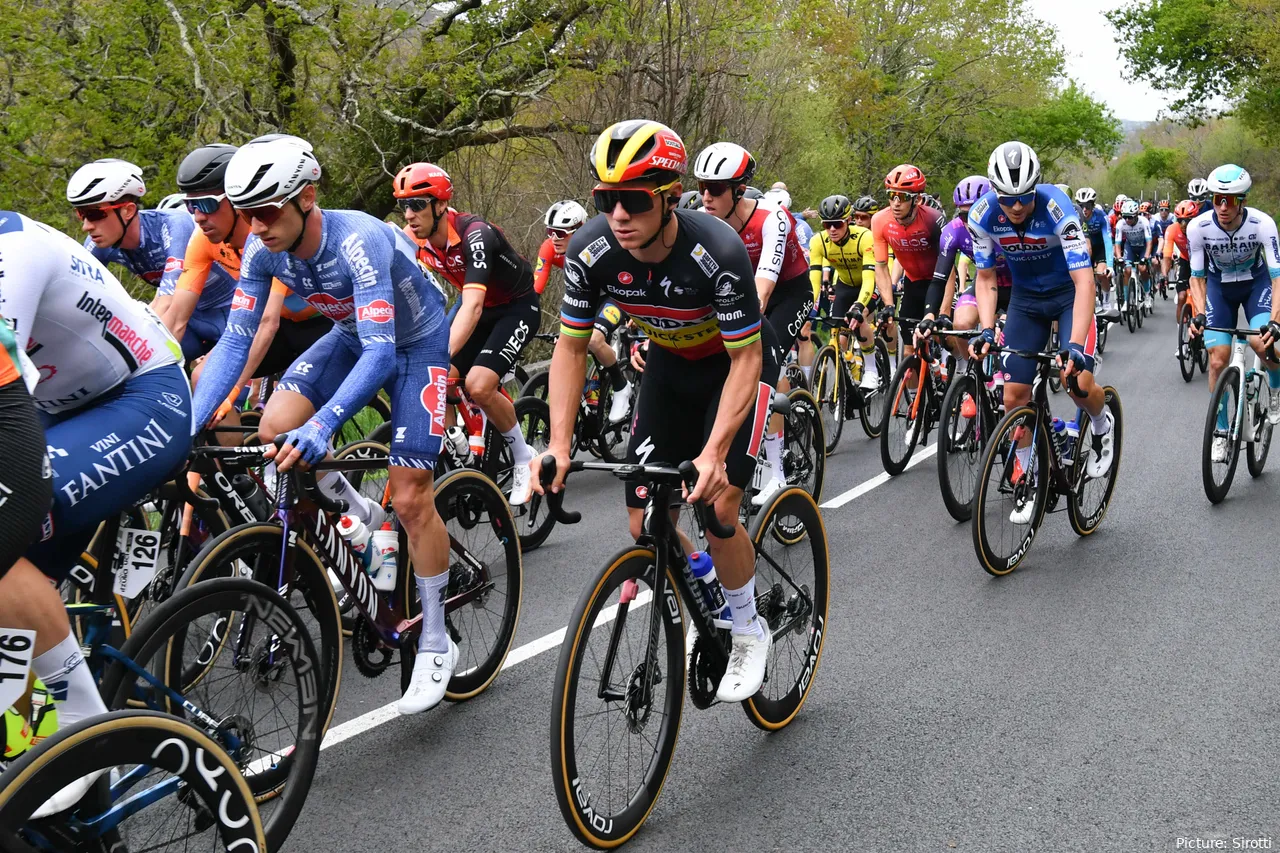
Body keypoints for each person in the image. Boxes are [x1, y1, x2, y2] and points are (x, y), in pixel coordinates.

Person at [189, 136, 459, 714]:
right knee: (273, 430)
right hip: (352, 336)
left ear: (307, 197)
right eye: (247, 214)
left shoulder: (356, 239)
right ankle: (359, 518)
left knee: (411, 498)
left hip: (415, 345)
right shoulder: (264, 253)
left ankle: (436, 637)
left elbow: (385, 353)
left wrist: (328, 422)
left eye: (267, 212)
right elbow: (236, 342)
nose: (256, 227)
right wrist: (188, 425)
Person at [533, 119, 779, 701]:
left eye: (634, 201)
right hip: (669, 368)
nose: (619, 215)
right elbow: (570, 348)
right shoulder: (591, 251)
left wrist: (715, 452)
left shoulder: (716, 250)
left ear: (669, 198)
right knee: (648, 522)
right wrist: (560, 445)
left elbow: (746, 361)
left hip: (735, 366)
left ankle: (747, 626)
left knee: (718, 506)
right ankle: (705, 587)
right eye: (607, 199)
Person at [0, 210, 190, 754]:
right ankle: (31, 743)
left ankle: (83, 736)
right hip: (52, 409)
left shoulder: (10, 253)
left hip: (140, 397)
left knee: (6, 541)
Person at [968, 141, 1115, 524]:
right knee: (1014, 395)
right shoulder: (982, 215)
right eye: (1007, 198)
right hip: (1025, 302)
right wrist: (986, 329)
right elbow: (985, 279)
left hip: (1068, 296)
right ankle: (1029, 478)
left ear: (1037, 187)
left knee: (1076, 380)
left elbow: (1084, 283)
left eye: (1025, 196)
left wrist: (1074, 346)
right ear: (993, 192)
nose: (1016, 207)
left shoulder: (1057, 210)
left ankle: (1101, 423)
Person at [394, 161, 539, 504]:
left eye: (417, 204)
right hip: (478, 306)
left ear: (441, 204)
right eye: (403, 206)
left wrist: (439, 355)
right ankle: (458, 441)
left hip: (515, 307)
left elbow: (473, 306)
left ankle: (523, 455)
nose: (409, 215)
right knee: (438, 379)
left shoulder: (475, 234)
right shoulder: (416, 239)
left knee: (478, 384)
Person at [171, 143, 334, 436]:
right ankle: (237, 480)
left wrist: (233, 391)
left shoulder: (272, 234)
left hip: (321, 325)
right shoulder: (203, 239)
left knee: (286, 421)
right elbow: (176, 317)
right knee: (203, 375)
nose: (197, 216)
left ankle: (320, 473)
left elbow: (266, 322)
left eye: (206, 204)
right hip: (284, 329)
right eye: (190, 206)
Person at [694, 142, 812, 505]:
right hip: (743, 299)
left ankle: (776, 470)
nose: (705, 197)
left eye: (714, 189)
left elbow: (764, 283)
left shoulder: (772, 217)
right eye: (700, 187)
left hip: (787, 294)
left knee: (764, 358)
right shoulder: (705, 221)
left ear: (739, 189)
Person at [1187, 164, 1280, 459]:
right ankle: (1222, 432)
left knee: (1262, 343)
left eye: (1231, 200)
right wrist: (1199, 314)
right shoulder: (1198, 227)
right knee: (1217, 361)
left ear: (1244, 201)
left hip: (1256, 285)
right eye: (1217, 199)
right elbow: (1197, 278)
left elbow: (1277, 278)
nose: (1223, 207)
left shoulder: (1263, 224)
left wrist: (1276, 321)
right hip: (1219, 288)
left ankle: (1275, 389)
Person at [534, 199, 635, 423]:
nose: (553, 238)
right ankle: (586, 394)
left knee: (594, 340)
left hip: (613, 296)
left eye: (560, 233)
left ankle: (621, 386)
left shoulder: (602, 244)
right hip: (585, 298)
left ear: (579, 229)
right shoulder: (549, 247)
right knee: (565, 346)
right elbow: (536, 288)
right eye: (550, 231)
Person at [68, 158, 195, 328]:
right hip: (188, 321)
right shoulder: (98, 241)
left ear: (127, 211)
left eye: (95, 214)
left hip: (225, 315)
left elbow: (167, 301)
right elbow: (73, 294)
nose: (86, 226)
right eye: (81, 214)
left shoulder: (173, 224)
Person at [920, 176, 1013, 369]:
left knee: (1006, 337)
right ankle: (968, 375)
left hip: (1019, 287)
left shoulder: (1008, 224)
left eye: (976, 213)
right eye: (964, 216)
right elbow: (939, 279)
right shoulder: (953, 230)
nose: (971, 222)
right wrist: (929, 314)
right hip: (984, 284)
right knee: (961, 324)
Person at [872, 164, 943, 365]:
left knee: (943, 335)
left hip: (939, 281)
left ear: (917, 199)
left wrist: (944, 311)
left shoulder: (932, 219)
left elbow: (949, 267)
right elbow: (881, 266)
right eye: (891, 195)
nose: (895, 203)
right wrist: (888, 304)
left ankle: (951, 378)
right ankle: (913, 395)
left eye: (902, 197)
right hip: (913, 282)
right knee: (909, 352)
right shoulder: (879, 220)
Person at [809, 195, 878, 389]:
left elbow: (869, 279)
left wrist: (859, 305)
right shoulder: (818, 242)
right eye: (827, 224)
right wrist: (809, 307)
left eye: (837, 224)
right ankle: (848, 369)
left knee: (860, 317)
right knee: (839, 336)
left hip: (868, 284)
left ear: (848, 221)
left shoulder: (865, 237)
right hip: (845, 285)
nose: (832, 229)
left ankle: (871, 370)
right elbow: (814, 283)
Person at [1074, 187, 1117, 318]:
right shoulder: (1074, 216)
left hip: (1100, 247)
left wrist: (1110, 265)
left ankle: (1105, 301)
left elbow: (1108, 241)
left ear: (1093, 205)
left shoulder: (1101, 217)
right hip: (1083, 247)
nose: (1084, 210)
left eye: (1087, 206)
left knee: (1101, 273)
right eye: (1081, 206)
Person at [1163, 199, 1199, 347]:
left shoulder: (1201, 229)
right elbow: (1167, 255)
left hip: (1204, 262)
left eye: (1188, 221)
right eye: (1180, 221)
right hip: (1186, 262)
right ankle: (1182, 337)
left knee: (1203, 297)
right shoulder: (1172, 229)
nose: (1183, 225)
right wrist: (1165, 275)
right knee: (1182, 295)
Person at [1114, 199, 1154, 307]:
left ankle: (1147, 295)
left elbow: (1149, 242)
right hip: (1130, 247)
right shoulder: (1120, 224)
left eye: (1130, 217)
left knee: (1142, 269)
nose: (1127, 219)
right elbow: (1117, 243)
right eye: (1125, 216)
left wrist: (1145, 257)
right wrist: (1119, 257)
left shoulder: (1144, 222)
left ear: (1136, 215)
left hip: (1143, 247)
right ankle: (1126, 302)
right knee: (1127, 271)